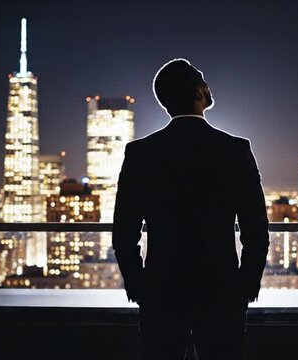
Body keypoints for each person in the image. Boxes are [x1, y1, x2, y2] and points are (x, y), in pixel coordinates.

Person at [113, 58, 269, 360]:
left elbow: (124, 231)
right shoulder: (234, 150)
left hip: (162, 289)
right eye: (204, 80)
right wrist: (246, 285)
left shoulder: (141, 153)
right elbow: (255, 227)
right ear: (199, 92)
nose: (209, 86)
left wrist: (139, 285)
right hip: (222, 289)